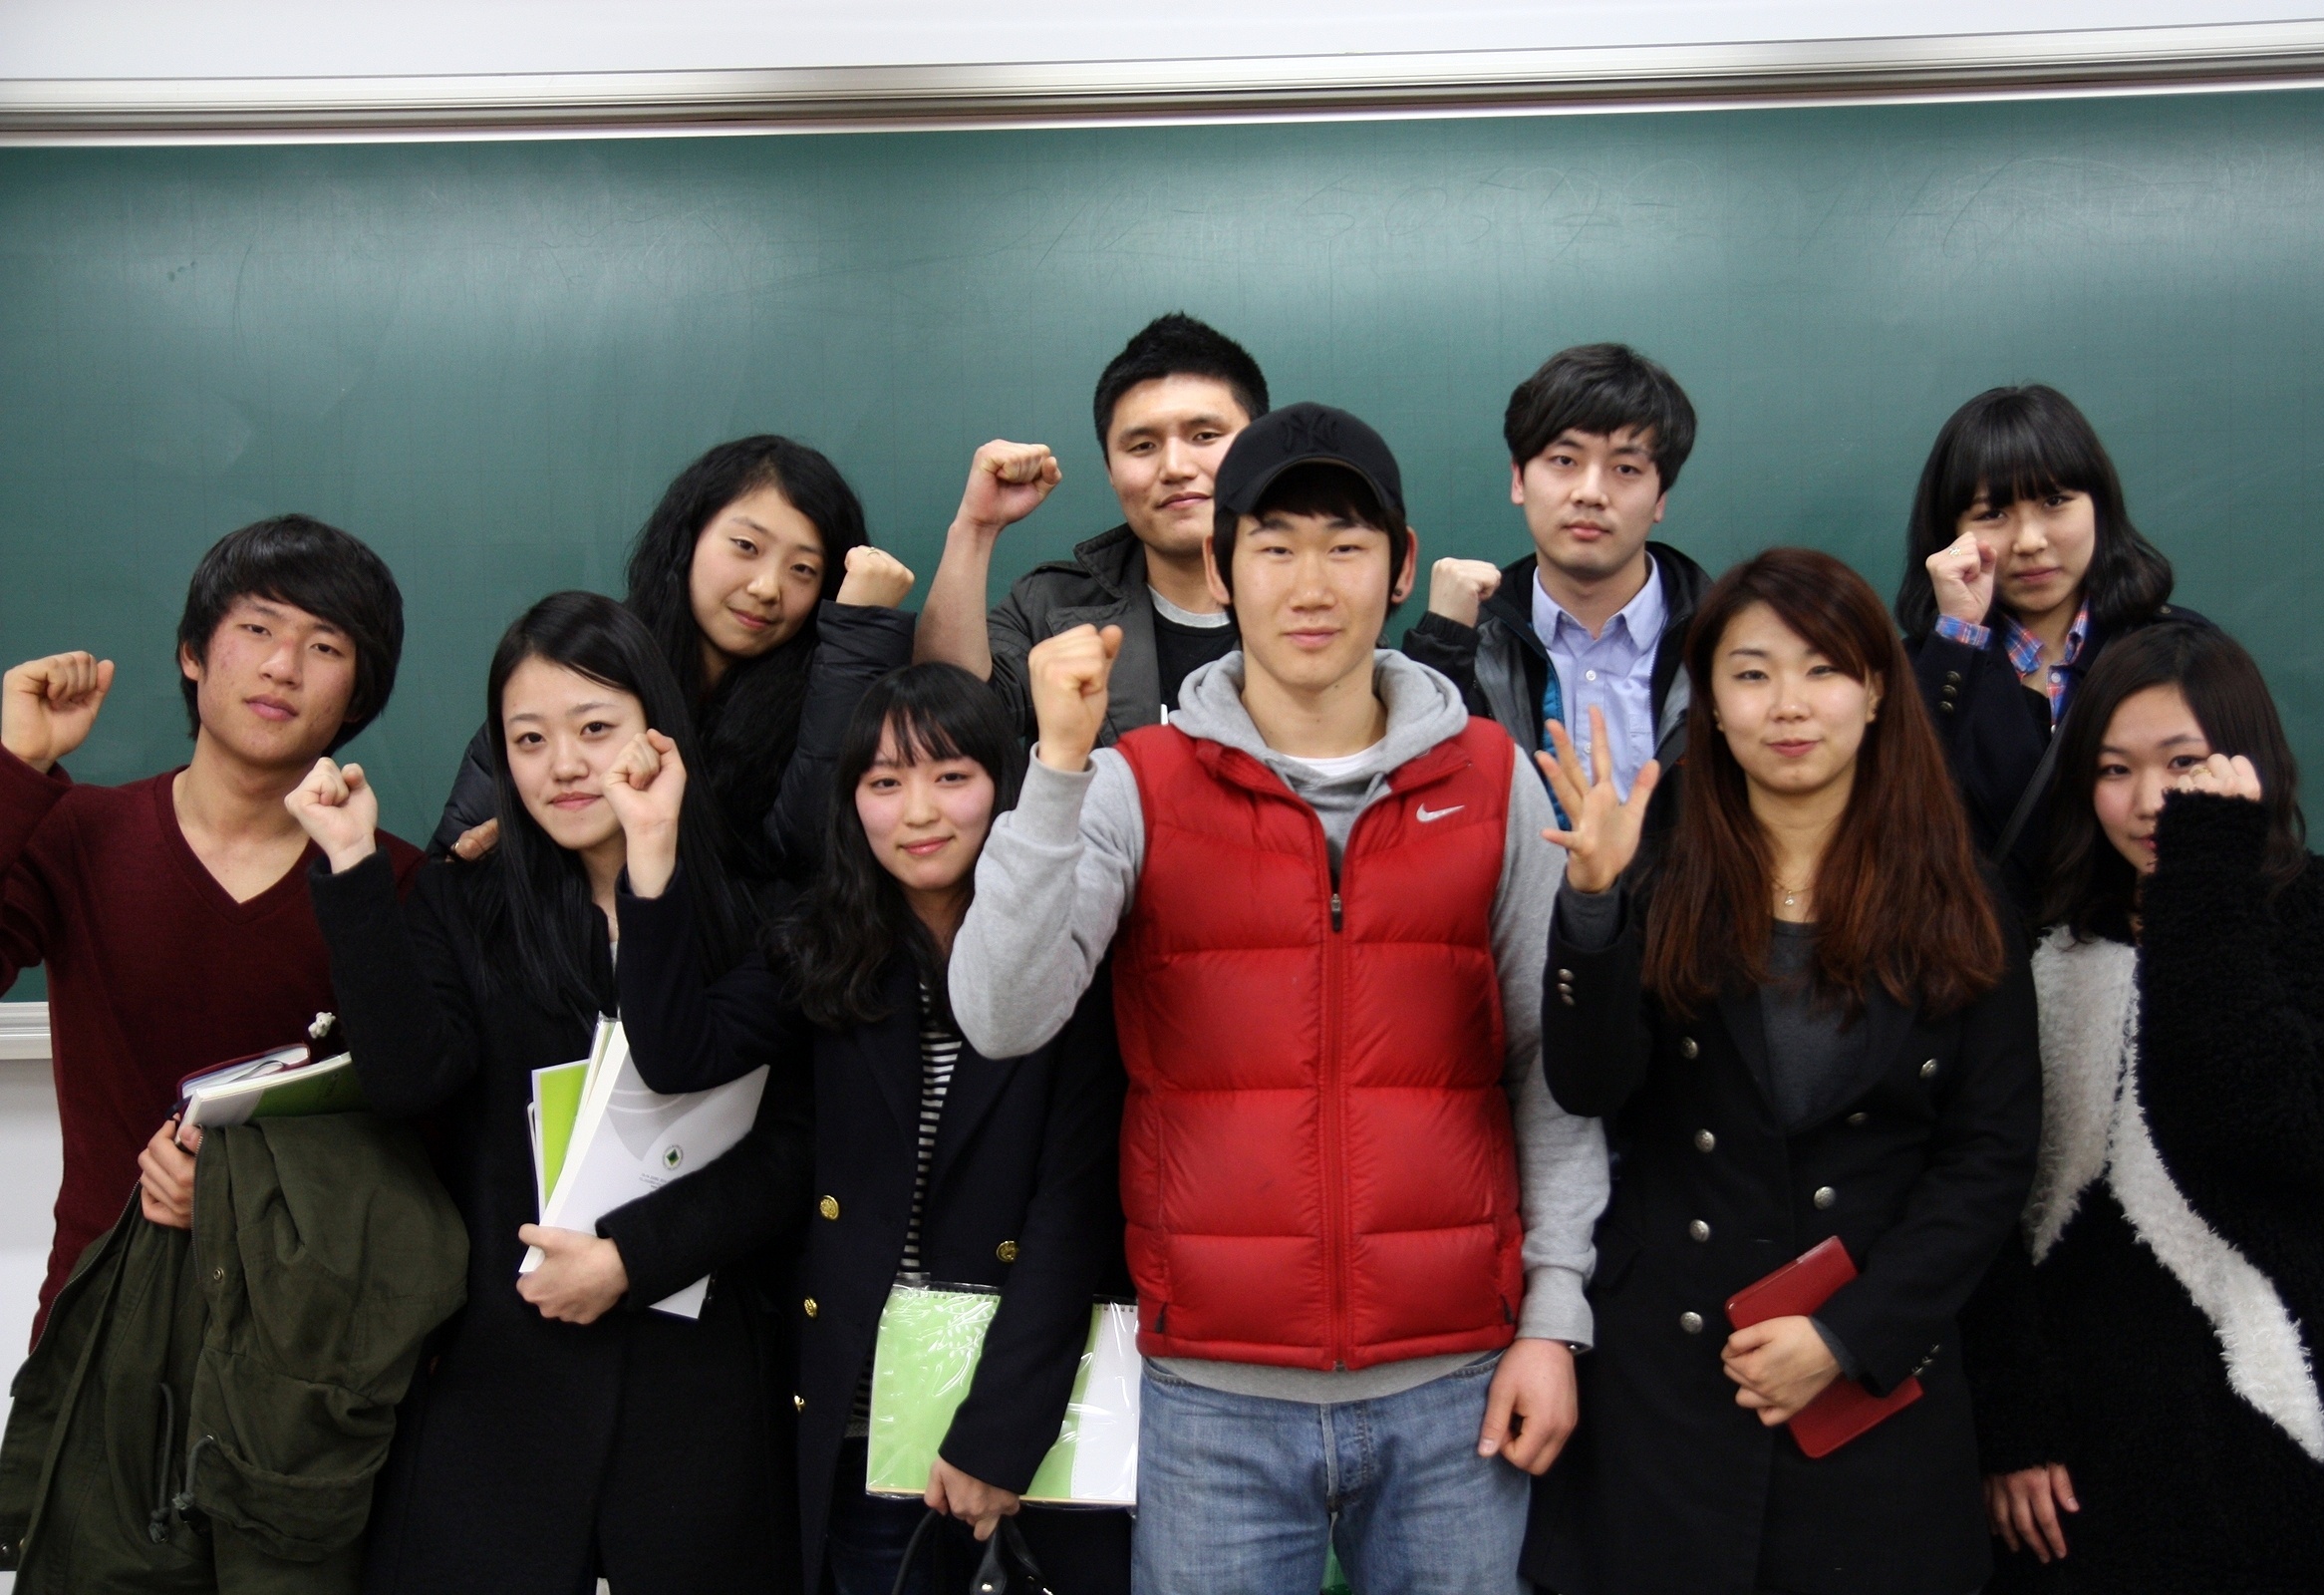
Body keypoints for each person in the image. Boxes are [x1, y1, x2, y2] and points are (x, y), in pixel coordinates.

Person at [949, 403, 1606, 1595]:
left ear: (1401, 566)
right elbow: (1002, 1013)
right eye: (1276, 545)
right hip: (1214, 1399)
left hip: (1457, 1384)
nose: (1312, 585)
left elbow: (1547, 1072)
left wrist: (1554, 1319)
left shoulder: (1491, 778)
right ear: (1221, 567)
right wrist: (1053, 769)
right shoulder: (1133, 782)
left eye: (1347, 546)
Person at [1525, 546, 2041, 1595]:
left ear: (1878, 692)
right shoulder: (1657, 860)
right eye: (1752, 674)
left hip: (1876, 1390)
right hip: (1670, 1385)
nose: (1788, 705)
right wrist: (1593, 905)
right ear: (1711, 705)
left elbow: (1990, 1155)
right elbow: (1590, 1087)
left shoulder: (1959, 893)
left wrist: (1851, 1336)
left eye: (1823, 669)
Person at [289, 591, 800, 1593]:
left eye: (594, 729)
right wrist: (351, 866)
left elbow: (790, 1149)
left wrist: (633, 1259)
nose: (562, 765)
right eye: (528, 739)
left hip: (697, 1383)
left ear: (657, 729)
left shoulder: (758, 905)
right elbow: (406, 1081)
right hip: (503, 1379)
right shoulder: (467, 899)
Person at [599, 662, 1131, 1595]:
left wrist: (997, 1432)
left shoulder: (1072, 953)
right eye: (885, 782)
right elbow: (679, 1052)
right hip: (868, 1416)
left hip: (1031, 1416)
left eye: (951, 776)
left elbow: (1071, 1211)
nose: (918, 812)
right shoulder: (827, 942)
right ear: (851, 804)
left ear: (1007, 789)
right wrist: (649, 845)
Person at [1964, 623, 2324, 1594]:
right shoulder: (2046, 951)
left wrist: (2205, 879)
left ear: (2247, 764)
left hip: (2260, 1450)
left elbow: (2251, 1118)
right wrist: (2011, 1424)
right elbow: (1982, 1200)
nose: (2151, 799)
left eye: (2184, 764)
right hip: (2062, 1477)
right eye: (2114, 769)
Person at [0, 514, 417, 1343]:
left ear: (359, 694)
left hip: (302, 1340)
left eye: (325, 646)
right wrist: (16, 765)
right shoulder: (81, 833)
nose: (282, 666)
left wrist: (243, 1198)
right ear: (193, 653)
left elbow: (419, 1140)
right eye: (258, 628)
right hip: (99, 1317)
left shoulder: (387, 884)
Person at [432, 434, 915, 883]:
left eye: (803, 569)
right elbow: (451, 862)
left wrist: (857, 637)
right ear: (688, 537)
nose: (767, 587)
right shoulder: (584, 661)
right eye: (746, 547)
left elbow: (808, 857)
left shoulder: (830, 684)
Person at [912, 312, 1268, 738]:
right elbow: (946, 727)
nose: (1175, 467)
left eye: (1204, 436)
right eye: (1143, 446)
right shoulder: (1048, 608)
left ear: (1260, 448)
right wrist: (976, 528)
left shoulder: (1324, 596)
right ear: (1110, 471)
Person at [1402, 342, 1712, 824]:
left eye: (1625, 469)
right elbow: (1409, 810)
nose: (1590, 492)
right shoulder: (1472, 640)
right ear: (1519, 480)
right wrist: (1442, 646)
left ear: (1660, 498)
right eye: (1565, 460)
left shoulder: (1723, 644)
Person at [1896, 385, 2183, 904]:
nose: (2030, 541)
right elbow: (1893, 806)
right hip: (1979, 951)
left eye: (2055, 502)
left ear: (2099, 505)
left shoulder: (2182, 654)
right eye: (1992, 514)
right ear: (1950, 533)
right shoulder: (1921, 670)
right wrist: (1957, 635)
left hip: (2145, 942)